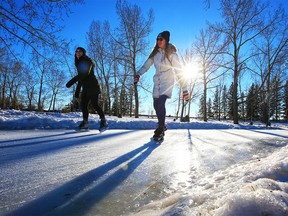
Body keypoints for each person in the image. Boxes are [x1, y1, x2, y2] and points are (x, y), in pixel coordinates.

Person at [134, 31, 189, 140]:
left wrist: (185, 89)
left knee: (161, 103)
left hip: (167, 82)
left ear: (166, 40)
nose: (159, 41)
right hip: (157, 82)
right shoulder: (155, 54)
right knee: (155, 105)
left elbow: (179, 71)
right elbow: (146, 66)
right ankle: (162, 125)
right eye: (157, 39)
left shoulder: (172, 54)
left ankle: (160, 128)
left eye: (161, 39)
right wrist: (138, 74)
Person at [66, 47, 108, 131]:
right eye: (76, 51)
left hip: (93, 86)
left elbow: (84, 74)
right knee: (83, 105)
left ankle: (104, 122)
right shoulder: (79, 63)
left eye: (80, 51)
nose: (78, 52)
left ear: (83, 53)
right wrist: (77, 90)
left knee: (94, 104)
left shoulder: (87, 60)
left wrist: (71, 81)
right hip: (86, 88)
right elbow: (81, 78)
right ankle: (85, 123)